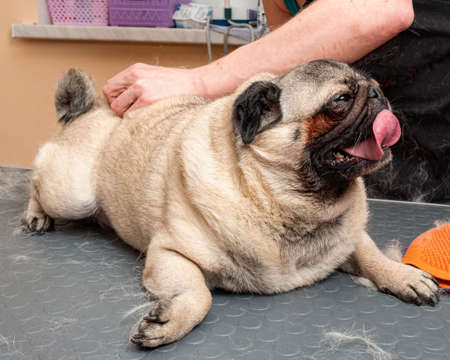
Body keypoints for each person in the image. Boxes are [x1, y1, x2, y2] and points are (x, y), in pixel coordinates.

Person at [103, 0, 450, 203]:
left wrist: (197, 81)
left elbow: (381, 7)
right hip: (354, 170)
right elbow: (295, 69)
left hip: (435, 164)